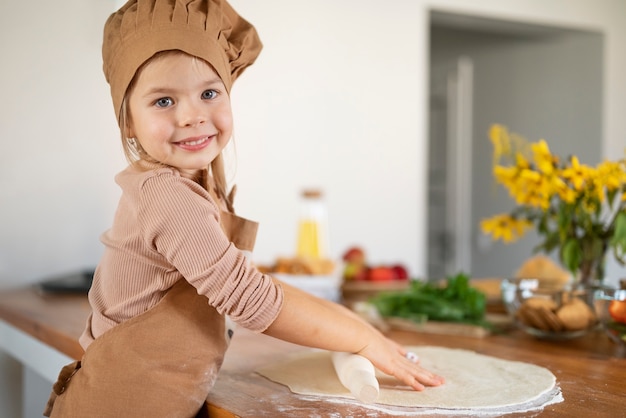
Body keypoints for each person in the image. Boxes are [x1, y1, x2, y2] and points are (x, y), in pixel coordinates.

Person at [44, 0, 444, 416]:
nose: (192, 116)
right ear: (127, 121)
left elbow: (244, 281)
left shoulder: (193, 185)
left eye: (209, 93)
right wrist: (362, 339)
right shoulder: (167, 195)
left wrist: (355, 326)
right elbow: (249, 298)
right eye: (164, 101)